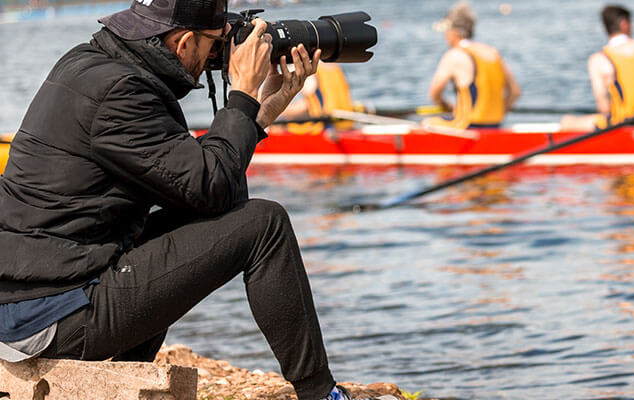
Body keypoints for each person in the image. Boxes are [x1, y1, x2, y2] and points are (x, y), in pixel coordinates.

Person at [0, 1, 378, 399]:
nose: (219, 55)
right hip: (50, 314)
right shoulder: (123, 92)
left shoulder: (92, 64)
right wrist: (244, 94)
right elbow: (211, 185)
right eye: (214, 43)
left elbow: (202, 190)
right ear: (182, 44)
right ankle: (321, 393)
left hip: (36, 295)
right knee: (265, 224)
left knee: (203, 222)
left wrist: (261, 113)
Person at [560, 5, 634, 132]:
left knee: (566, 121)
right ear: (624, 24)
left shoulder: (598, 60)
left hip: (620, 124)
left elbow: (604, 107)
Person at [424, 1, 521, 130]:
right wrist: (500, 112)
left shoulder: (454, 55)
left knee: (426, 123)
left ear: (455, 31)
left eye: (446, 31)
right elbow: (515, 92)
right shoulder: (493, 52)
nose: (445, 36)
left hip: (467, 125)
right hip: (496, 125)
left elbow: (434, 94)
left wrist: (447, 106)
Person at [279, 62, 356, 132]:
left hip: (323, 128)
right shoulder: (335, 68)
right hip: (345, 124)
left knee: (277, 125)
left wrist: (279, 111)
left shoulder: (308, 70)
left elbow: (306, 106)